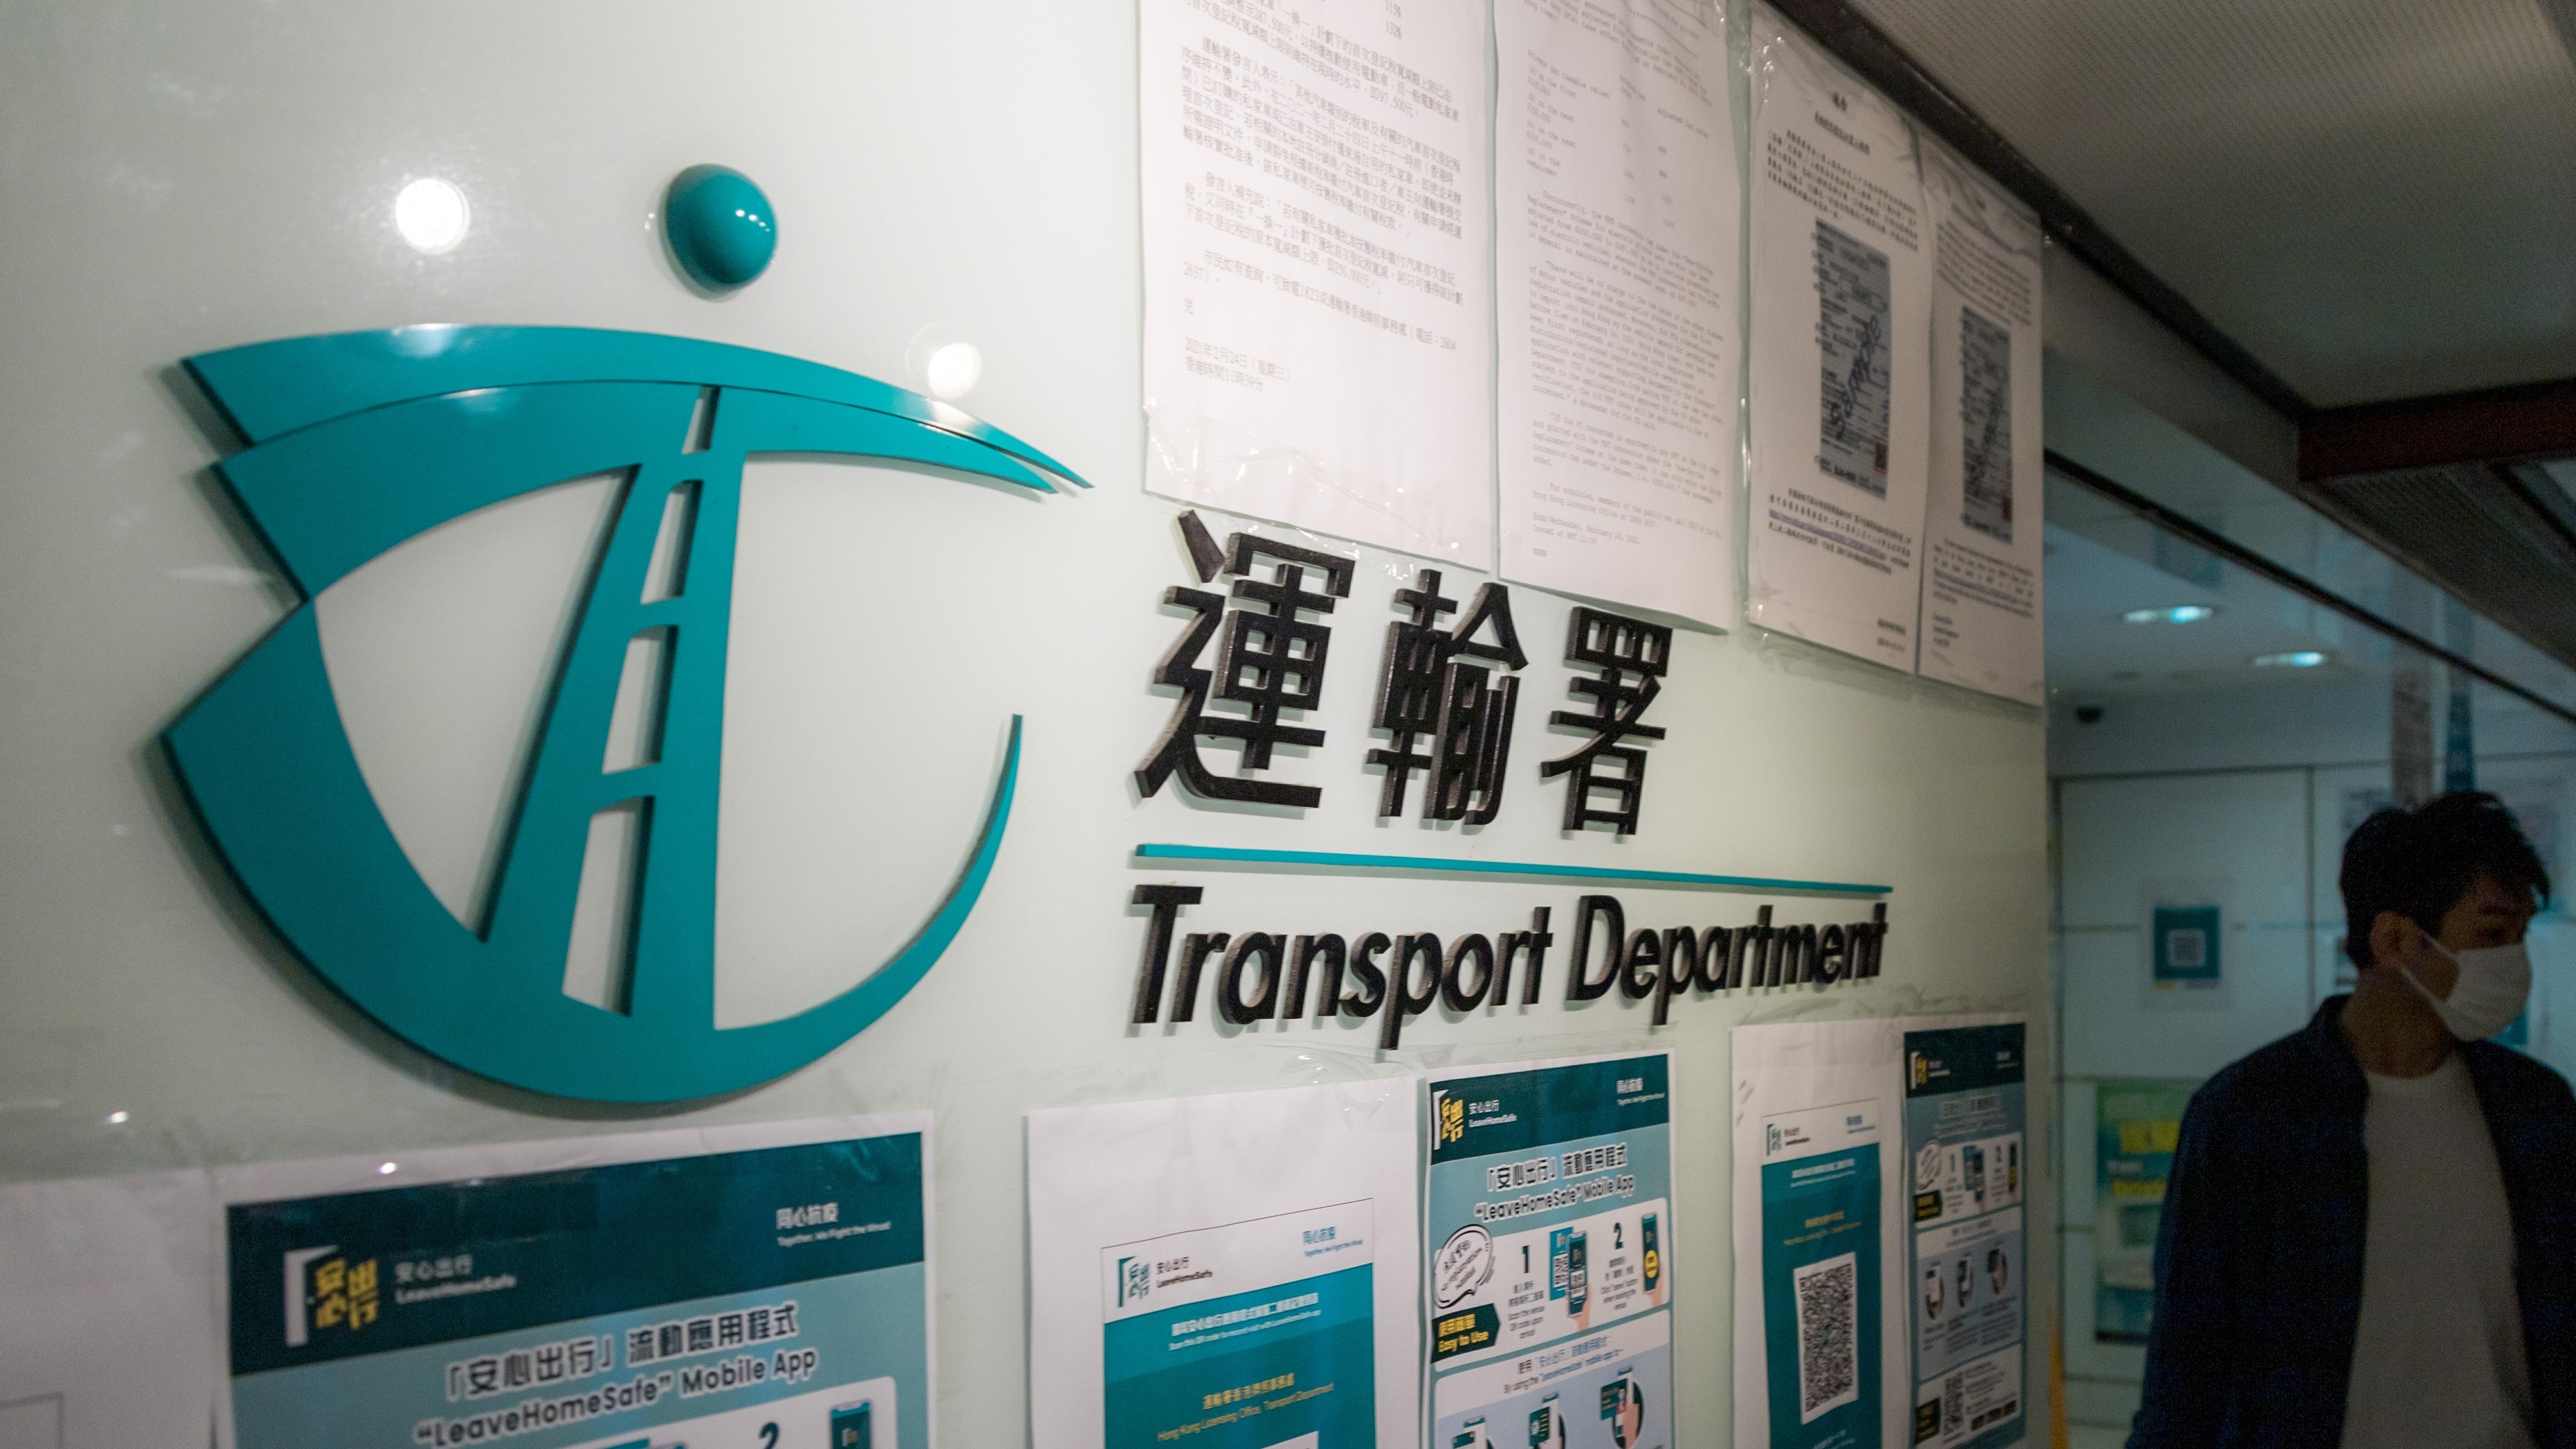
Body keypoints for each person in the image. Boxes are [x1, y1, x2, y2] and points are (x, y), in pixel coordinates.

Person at [2129, 792, 2576, 1448]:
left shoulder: (2535, 1111)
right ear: (2394, 940)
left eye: (2520, 936)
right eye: (2490, 935)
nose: (2515, 963)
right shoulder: (2251, 1117)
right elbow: (2187, 1365)